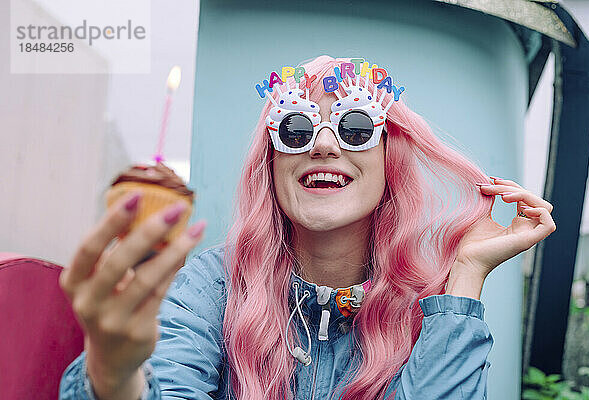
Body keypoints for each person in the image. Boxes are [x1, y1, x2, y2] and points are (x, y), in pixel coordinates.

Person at [59, 56, 556, 400]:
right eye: (294, 130)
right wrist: (114, 373)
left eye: (355, 127)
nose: (321, 146)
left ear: (390, 161)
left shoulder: (429, 311)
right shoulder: (213, 286)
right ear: (272, 163)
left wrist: (466, 275)